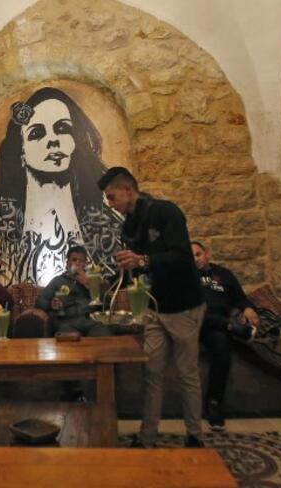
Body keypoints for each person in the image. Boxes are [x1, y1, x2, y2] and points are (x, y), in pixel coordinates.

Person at [99, 166, 206, 448]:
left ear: (128, 190)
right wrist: (116, 277)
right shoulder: (128, 225)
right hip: (154, 307)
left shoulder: (166, 212)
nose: (110, 204)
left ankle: (195, 435)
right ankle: (147, 437)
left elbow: (182, 257)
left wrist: (143, 260)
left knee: (187, 374)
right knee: (152, 374)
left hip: (184, 305)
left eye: (112, 197)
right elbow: (136, 269)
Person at [0, 86, 123, 286]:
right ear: (21, 151)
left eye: (62, 129)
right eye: (37, 133)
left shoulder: (107, 227)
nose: (53, 140)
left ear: (75, 142)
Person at [192, 241, 259, 429]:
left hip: (214, 328)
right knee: (200, 317)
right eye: (190, 257)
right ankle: (229, 326)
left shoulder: (223, 274)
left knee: (222, 344)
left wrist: (248, 309)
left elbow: (240, 298)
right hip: (193, 323)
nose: (194, 259)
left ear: (207, 254)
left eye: (198, 254)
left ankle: (214, 402)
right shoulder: (185, 276)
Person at [36, 245, 111, 337]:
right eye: (74, 260)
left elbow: (107, 305)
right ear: (67, 263)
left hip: (91, 322)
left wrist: (88, 284)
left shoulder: (93, 279)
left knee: (103, 334)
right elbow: (40, 302)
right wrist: (51, 305)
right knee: (67, 338)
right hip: (66, 323)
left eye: (81, 261)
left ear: (85, 264)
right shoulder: (58, 280)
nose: (77, 263)